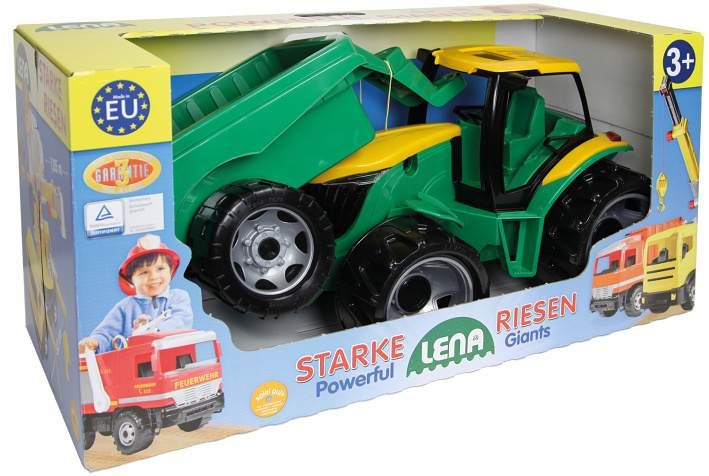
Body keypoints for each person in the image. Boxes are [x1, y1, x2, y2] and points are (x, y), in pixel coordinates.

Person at [78, 234, 193, 354]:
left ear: (171, 270)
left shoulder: (178, 297)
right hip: (138, 361)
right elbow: (106, 333)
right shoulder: (125, 307)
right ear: (131, 280)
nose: (153, 277)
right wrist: (94, 342)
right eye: (144, 272)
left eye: (160, 269)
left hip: (176, 356)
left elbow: (181, 321)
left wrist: (149, 331)